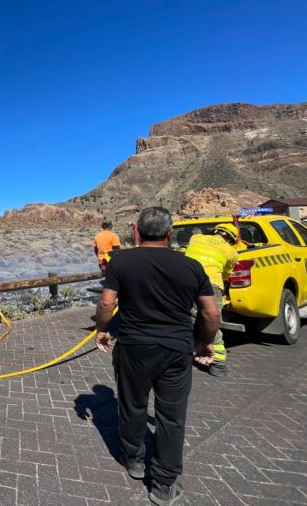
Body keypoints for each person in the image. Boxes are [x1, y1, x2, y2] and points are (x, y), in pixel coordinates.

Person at [95, 207, 220, 506]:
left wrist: (102, 330)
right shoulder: (192, 266)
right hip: (177, 350)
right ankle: (164, 484)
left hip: (134, 347)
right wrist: (206, 342)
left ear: (136, 232)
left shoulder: (121, 261)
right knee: (171, 416)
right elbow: (211, 312)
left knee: (133, 405)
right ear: (170, 234)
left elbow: (106, 302)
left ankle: (135, 460)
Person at [184, 223, 238, 376]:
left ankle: (187, 353)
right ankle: (218, 364)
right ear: (231, 239)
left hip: (186, 282)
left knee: (188, 318)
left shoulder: (196, 238)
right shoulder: (231, 251)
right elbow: (227, 273)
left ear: (215, 231)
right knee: (211, 321)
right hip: (211, 284)